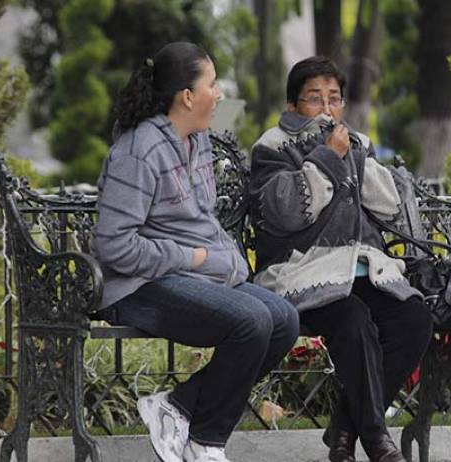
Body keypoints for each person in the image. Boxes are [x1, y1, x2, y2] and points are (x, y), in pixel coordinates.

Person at [92, 42, 299, 462]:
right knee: (252, 321)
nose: (220, 93)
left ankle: (182, 411)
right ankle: (207, 440)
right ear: (188, 96)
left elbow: (201, 221)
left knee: (284, 320)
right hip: (135, 286)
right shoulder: (139, 151)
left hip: (185, 277)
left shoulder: (196, 141)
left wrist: (229, 260)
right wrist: (193, 259)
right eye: (213, 83)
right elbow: (113, 245)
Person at [249, 56, 433, 462]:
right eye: (315, 99)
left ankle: (344, 431)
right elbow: (287, 212)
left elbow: (389, 208)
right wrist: (328, 159)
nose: (327, 108)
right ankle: (376, 438)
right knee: (354, 321)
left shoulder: (354, 142)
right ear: (294, 105)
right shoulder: (272, 146)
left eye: (334, 99)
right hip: (300, 273)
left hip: (359, 271)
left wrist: (355, 157)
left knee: (414, 319)